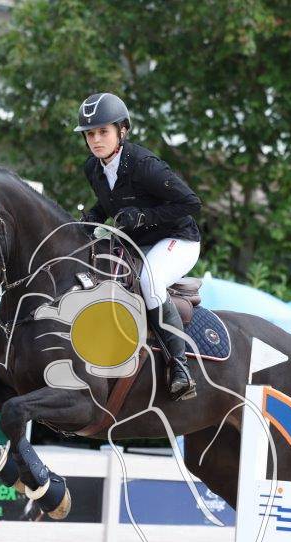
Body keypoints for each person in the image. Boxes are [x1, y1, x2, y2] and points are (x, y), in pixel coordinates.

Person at [77, 92, 202, 401]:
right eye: (90, 134)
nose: (96, 140)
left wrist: (145, 216)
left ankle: (180, 368)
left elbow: (191, 203)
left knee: (149, 281)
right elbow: (108, 201)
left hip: (177, 240)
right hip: (137, 244)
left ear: (122, 131)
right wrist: (91, 218)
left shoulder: (144, 165)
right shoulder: (93, 168)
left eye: (103, 131)